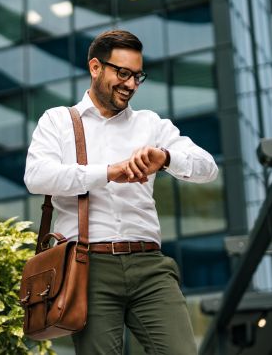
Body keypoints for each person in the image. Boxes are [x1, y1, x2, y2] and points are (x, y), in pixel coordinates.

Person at [23, 29, 218, 354]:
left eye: (137, 76)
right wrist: (109, 172)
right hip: (89, 267)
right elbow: (37, 176)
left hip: (150, 266)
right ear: (96, 68)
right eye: (122, 73)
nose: (131, 84)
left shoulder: (150, 124)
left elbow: (207, 166)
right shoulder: (58, 121)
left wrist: (165, 158)